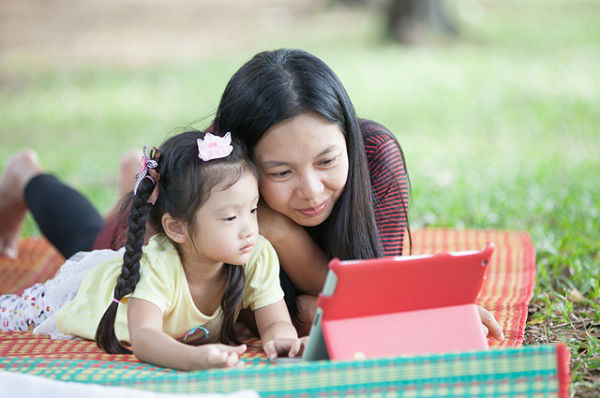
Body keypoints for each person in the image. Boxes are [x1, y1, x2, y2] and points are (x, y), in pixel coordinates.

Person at [0, 48, 503, 341]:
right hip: (167, 228)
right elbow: (238, 315)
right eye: (280, 171)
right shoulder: (219, 179)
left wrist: (282, 232)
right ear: (244, 163)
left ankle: (132, 171)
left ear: (347, 137)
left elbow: (368, 286)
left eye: (328, 161)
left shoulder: (375, 157)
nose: (311, 190)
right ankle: (25, 176)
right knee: (93, 246)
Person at [0, 130, 303, 370]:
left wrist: (282, 340)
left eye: (252, 209)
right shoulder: (162, 264)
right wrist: (192, 359)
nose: (250, 227)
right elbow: (145, 338)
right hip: (82, 299)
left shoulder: (256, 254)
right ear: (177, 228)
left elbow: (275, 322)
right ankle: (25, 174)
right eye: (230, 217)